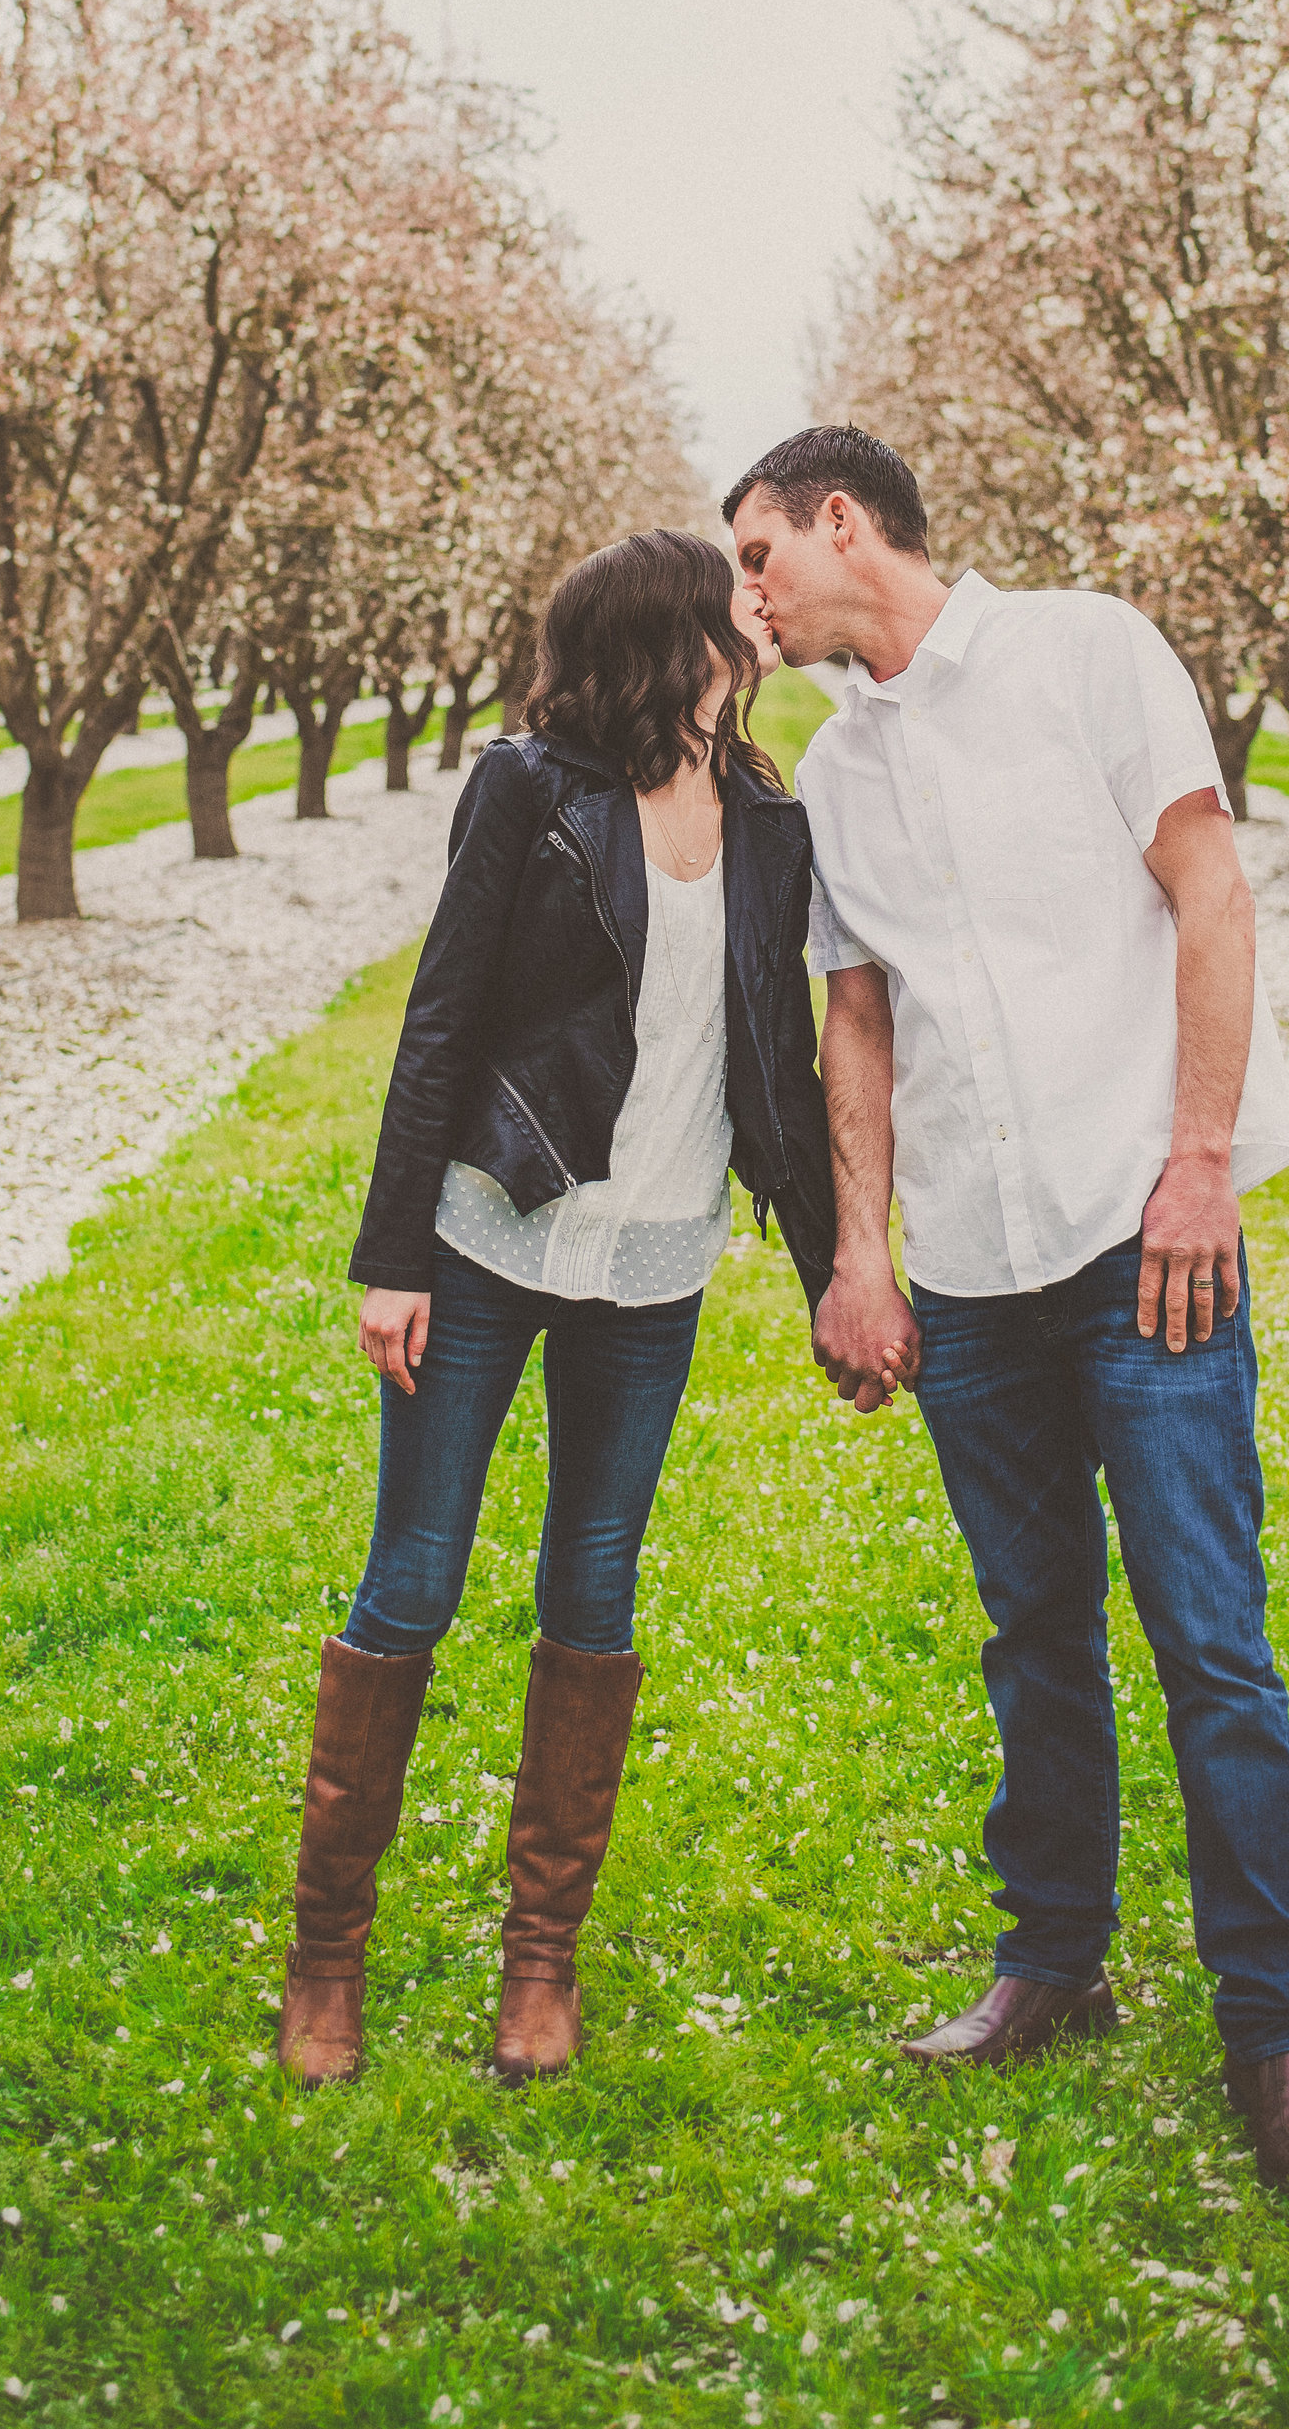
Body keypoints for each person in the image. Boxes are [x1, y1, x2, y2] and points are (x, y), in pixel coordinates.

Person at [727, 425, 1289, 2203]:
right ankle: (1056, 1962)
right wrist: (860, 1252)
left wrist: (1200, 1160)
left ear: (840, 520)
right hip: (970, 1272)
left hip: (1137, 1230)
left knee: (1208, 1638)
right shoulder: (836, 774)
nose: (750, 600)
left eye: (761, 558)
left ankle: (1281, 2038)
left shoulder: (1093, 651)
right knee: (1035, 1630)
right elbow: (854, 1014)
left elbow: (1211, 891)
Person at [276, 528, 836, 2091]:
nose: (761, 601)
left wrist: (834, 1276)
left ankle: (542, 1962)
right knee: (416, 1579)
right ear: (672, 627)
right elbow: (443, 1016)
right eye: (736, 587)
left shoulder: (772, 818)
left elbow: (774, 1057)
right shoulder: (531, 790)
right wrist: (392, 1255)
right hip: (485, 1237)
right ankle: (328, 1958)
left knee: (593, 1590)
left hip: (650, 1267)